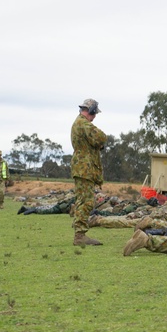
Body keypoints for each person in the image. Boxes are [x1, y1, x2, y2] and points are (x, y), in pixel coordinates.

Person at [70, 98, 108, 246]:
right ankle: (80, 235)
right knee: (86, 201)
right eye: (94, 114)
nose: (94, 118)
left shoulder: (79, 123)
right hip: (84, 167)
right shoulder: (83, 124)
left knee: (83, 200)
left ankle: (79, 231)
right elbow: (101, 137)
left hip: (82, 167)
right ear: (90, 111)